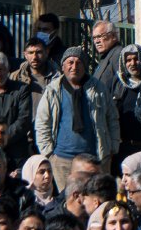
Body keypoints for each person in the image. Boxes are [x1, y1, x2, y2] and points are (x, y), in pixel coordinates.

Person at [33, 52, 117, 190]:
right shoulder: (53, 90)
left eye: (79, 62)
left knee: (95, 199)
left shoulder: (98, 88)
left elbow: (112, 118)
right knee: (69, 201)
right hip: (62, 160)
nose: (74, 66)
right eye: (70, 62)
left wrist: (112, 147)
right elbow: (42, 123)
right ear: (63, 66)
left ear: (85, 66)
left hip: (95, 159)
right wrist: (49, 153)